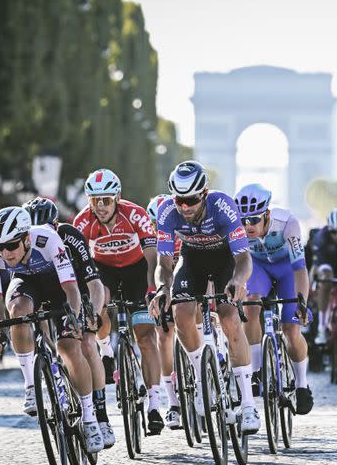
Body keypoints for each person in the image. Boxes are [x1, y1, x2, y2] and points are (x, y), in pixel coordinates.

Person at [149, 161, 260, 435]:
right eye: (179, 201)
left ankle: (247, 404)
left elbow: (244, 258)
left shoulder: (223, 206)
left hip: (225, 259)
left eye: (191, 200)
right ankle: (201, 383)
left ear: (204, 193)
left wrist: (238, 280)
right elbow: (164, 264)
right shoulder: (166, 212)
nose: (184, 208)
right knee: (181, 313)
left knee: (229, 316)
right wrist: (163, 289)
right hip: (192, 259)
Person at [0, 206, 104, 453]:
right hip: (27, 285)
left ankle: (90, 418)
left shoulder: (47, 239)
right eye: (0, 246)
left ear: (27, 238)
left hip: (59, 286)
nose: (5, 253)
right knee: (17, 312)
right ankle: (30, 385)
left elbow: (71, 289)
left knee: (69, 346)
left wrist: (73, 320)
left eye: (12, 245)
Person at [73, 169, 165, 434]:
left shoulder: (135, 214)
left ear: (117, 198)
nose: (100, 206)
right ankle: (106, 351)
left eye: (106, 200)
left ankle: (154, 404)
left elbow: (151, 254)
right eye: (95, 200)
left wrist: (151, 288)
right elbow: (79, 262)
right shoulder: (83, 221)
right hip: (104, 271)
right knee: (100, 302)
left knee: (146, 337)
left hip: (137, 270)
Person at [22, 197, 115, 447]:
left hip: (76, 290)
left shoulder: (70, 236)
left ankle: (100, 416)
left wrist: (93, 315)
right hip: (45, 293)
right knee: (56, 345)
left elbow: (94, 284)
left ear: (55, 225)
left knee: (85, 342)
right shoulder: (21, 247)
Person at [234, 183, 314, 415]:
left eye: (254, 220)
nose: (248, 227)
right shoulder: (239, 228)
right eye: (243, 221)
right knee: (251, 304)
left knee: (290, 329)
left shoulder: (288, 223)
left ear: (267, 214)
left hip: (287, 269)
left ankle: (301, 383)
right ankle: (257, 370)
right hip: (258, 268)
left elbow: (300, 269)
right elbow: (238, 266)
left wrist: (302, 303)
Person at [145, 193, 182, 429]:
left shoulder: (184, 231)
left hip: (190, 281)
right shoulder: (148, 239)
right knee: (164, 335)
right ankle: (174, 403)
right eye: (155, 224)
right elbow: (150, 271)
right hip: (164, 285)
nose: (160, 228)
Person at [310, 207, 337, 345]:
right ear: (328, 229)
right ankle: (322, 326)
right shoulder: (321, 238)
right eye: (334, 232)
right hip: (327, 263)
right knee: (326, 279)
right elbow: (317, 266)